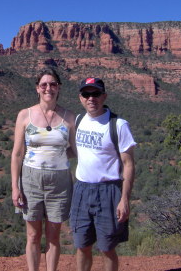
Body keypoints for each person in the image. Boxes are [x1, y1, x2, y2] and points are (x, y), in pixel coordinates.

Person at [11, 68, 77, 271]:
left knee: (54, 236)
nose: (49, 88)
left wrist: (57, 157)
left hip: (60, 182)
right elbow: (17, 154)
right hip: (30, 179)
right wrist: (15, 187)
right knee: (32, 235)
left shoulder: (69, 117)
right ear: (37, 89)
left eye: (53, 84)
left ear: (59, 88)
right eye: (44, 84)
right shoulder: (25, 115)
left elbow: (75, 150)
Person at [70, 77, 136, 271]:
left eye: (96, 93)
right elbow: (71, 151)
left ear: (104, 96)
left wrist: (124, 199)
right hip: (81, 190)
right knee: (82, 245)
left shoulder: (118, 125)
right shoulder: (78, 121)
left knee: (107, 247)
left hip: (109, 191)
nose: (91, 98)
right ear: (80, 98)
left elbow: (129, 164)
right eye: (86, 94)